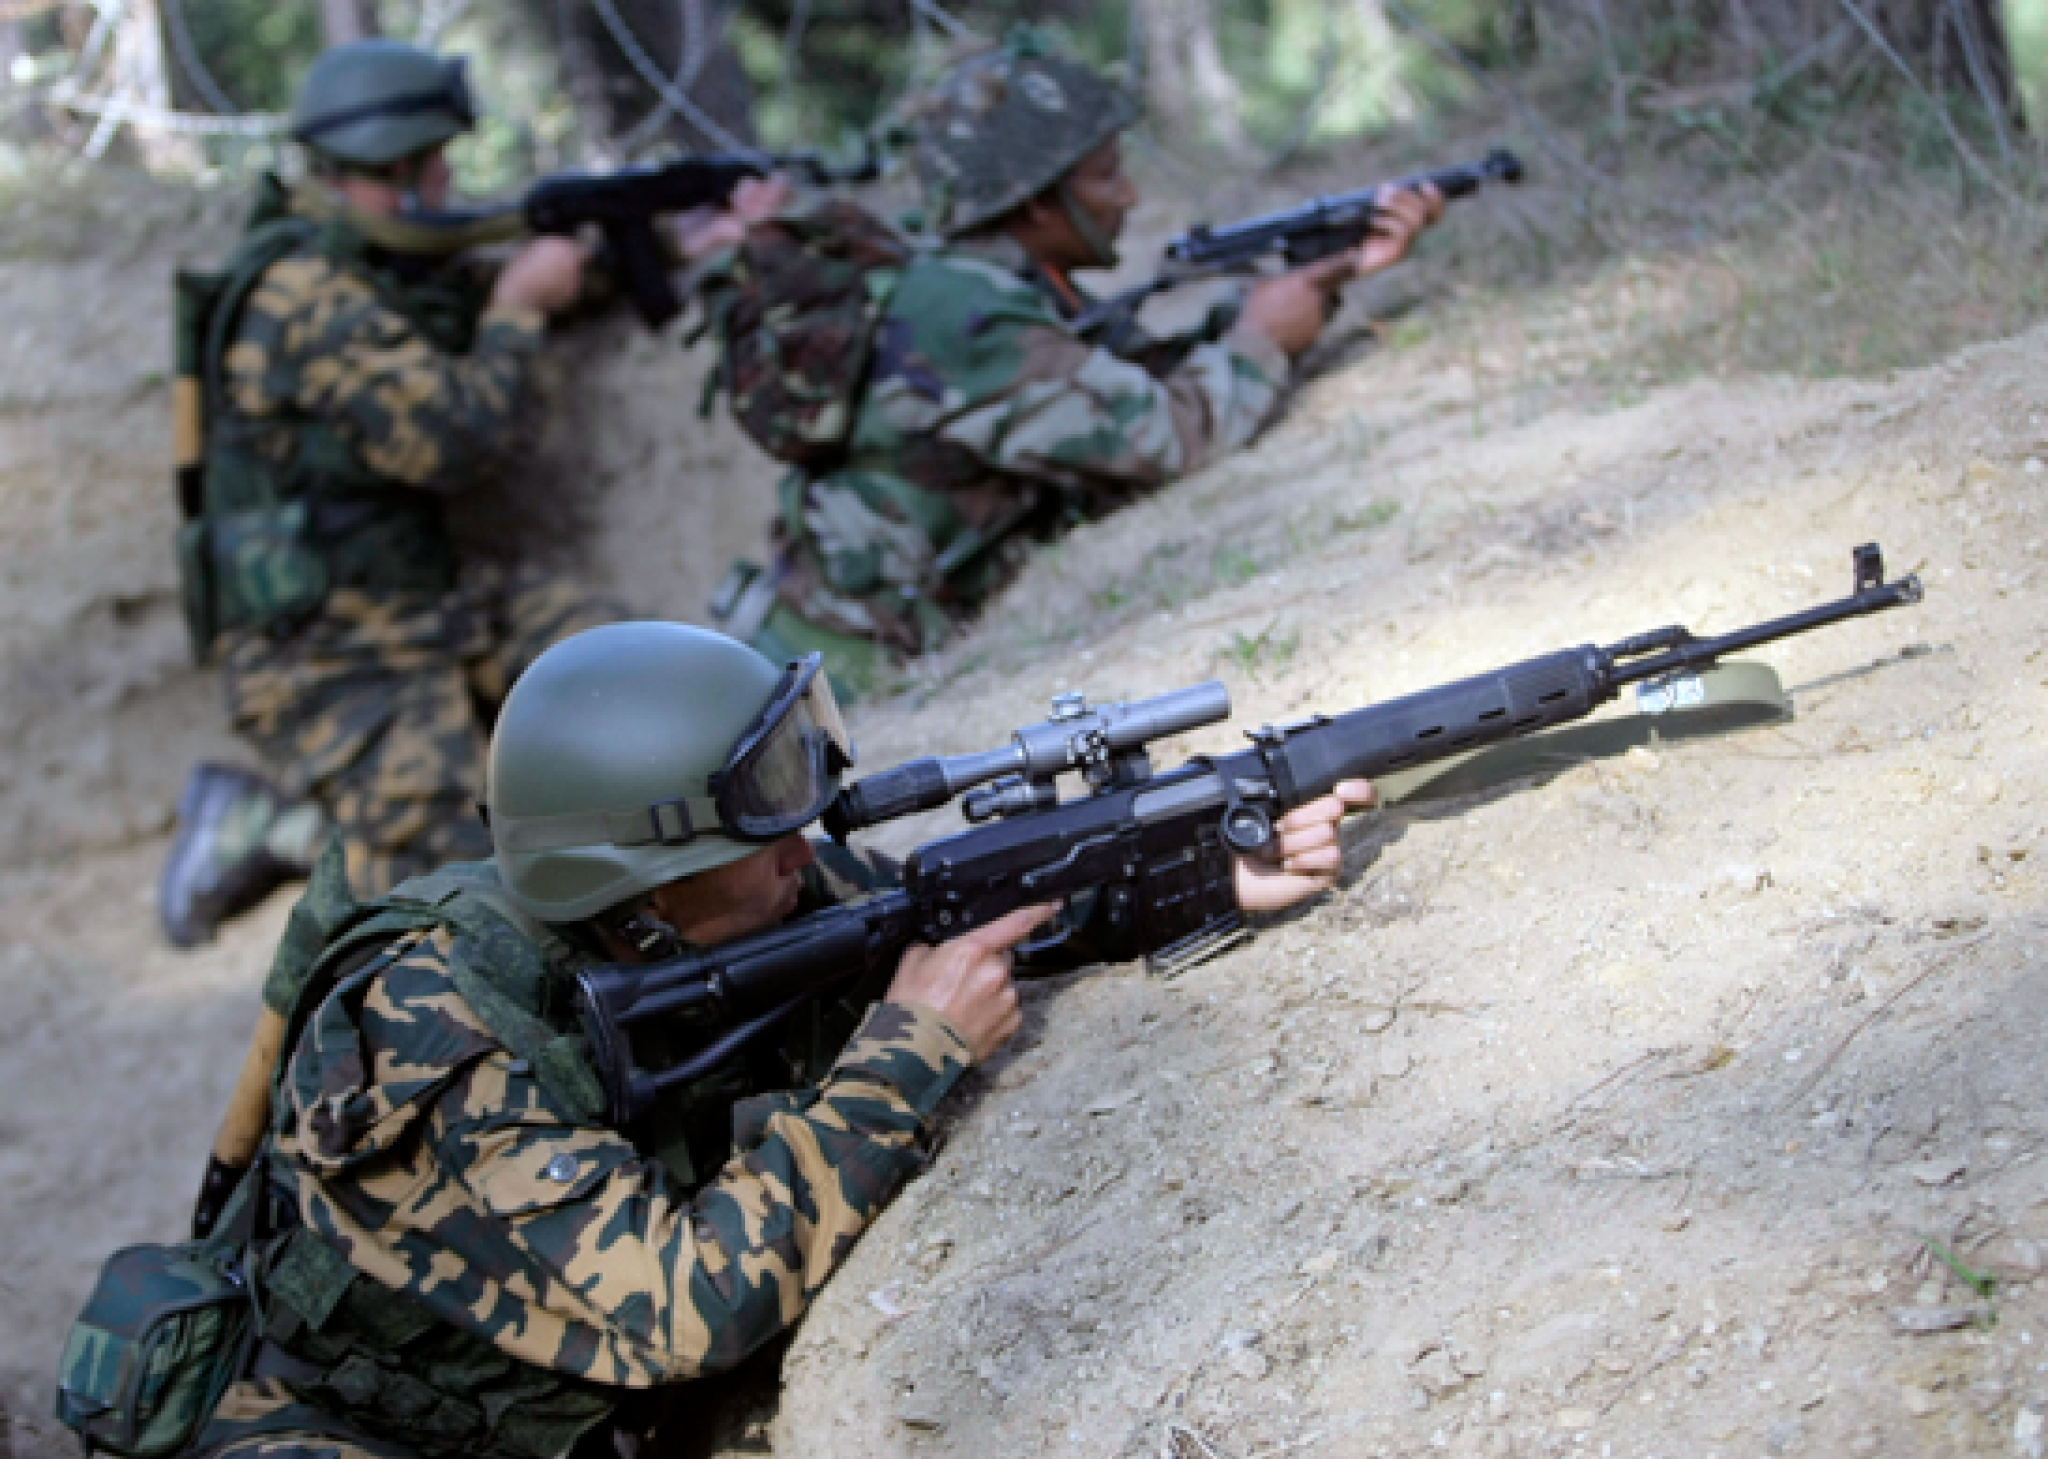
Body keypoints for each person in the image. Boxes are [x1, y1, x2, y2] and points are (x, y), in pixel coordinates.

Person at [185, 621, 1376, 1458]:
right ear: (642, 892)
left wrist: (1194, 874)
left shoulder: (723, 895)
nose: (802, 855)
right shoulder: (433, 1032)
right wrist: (905, 1057)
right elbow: (678, 1312)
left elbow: (940, 921)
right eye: (758, 843)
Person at [707, 29, 1442, 693]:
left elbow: (1117, 383)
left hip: (805, 647)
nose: (1128, 195)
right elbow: (1168, 436)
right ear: (1035, 204)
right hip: (835, 677)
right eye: (1107, 174)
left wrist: (1322, 276)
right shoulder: (966, 317)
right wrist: (1261, 338)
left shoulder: (968, 277)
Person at [158, 38, 619, 948]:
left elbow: (481, 286)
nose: (450, 179)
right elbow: (454, 438)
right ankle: (272, 828)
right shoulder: (305, 295)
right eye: (436, 160)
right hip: (328, 656)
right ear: (395, 168)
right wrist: (521, 312)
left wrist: (669, 235)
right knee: (450, 887)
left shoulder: (365, 261)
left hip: (424, 609)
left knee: (605, 666)